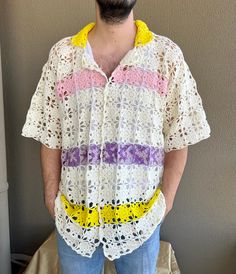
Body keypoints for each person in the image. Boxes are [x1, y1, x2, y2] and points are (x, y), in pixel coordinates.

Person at [21, 0, 211, 273]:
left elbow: (180, 135)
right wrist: (51, 197)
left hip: (141, 222)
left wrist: (164, 204)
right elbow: (50, 132)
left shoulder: (165, 57)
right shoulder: (62, 57)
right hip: (74, 221)